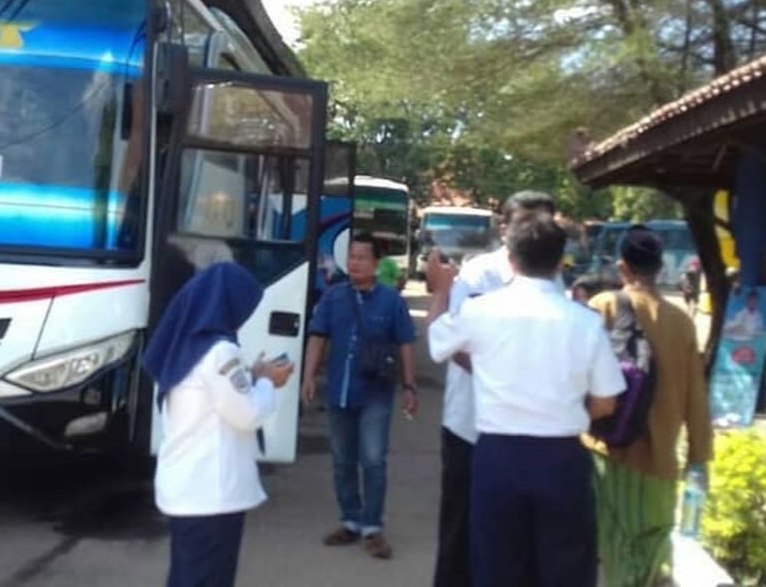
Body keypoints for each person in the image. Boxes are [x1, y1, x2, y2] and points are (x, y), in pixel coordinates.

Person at [428, 213, 626, 587]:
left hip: (497, 457)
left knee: (496, 566)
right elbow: (606, 403)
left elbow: (438, 343)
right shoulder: (584, 322)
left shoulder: (481, 311)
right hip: (562, 458)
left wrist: (441, 289)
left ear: (512, 258)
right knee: (564, 568)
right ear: (559, 261)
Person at [429, 189, 560, 587]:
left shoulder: (556, 278)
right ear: (505, 228)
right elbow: (454, 346)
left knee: (513, 540)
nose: (535, 232)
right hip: (471, 427)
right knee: (460, 531)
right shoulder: (477, 274)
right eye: (527, 222)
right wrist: (509, 378)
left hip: (527, 433)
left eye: (545, 224)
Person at [143, 262, 295, 587]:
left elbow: (213, 400)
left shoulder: (185, 346)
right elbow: (247, 414)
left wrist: (252, 376)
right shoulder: (219, 352)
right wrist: (267, 381)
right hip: (212, 494)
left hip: (188, 487)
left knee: (188, 576)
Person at [586, 225, 713, 587]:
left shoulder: (603, 306)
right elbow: (696, 398)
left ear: (623, 267)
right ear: (659, 268)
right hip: (659, 462)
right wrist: (699, 458)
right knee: (654, 550)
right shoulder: (682, 323)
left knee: (613, 549)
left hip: (606, 455)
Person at [301, 233, 417, 559]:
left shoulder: (391, 301)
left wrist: (409, 386)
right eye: (351, 256)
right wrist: (308, 376)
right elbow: (317, 337)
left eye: (362, 257)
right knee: (342, 460)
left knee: (373, 459)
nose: (354, 263)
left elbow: (406, 342)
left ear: (376, 264)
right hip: (340, 391)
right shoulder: (334, 297)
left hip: (376, 394)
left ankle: (372, 528)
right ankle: (350, 520)